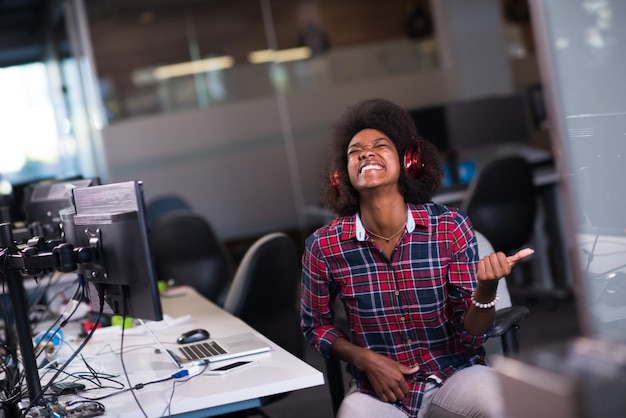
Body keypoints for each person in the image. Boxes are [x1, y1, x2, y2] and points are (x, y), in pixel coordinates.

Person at [300, 98, 534, 418]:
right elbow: (316, 326)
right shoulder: (324, 246)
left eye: (380, 146)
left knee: (501, 405)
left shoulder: (450, 227)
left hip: (455, 372)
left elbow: (472, 332)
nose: (366, 153)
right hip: (378, 389)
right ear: (342, 175)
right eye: (355, 151)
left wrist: (486, 289)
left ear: (409, 162)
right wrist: (365, 360)